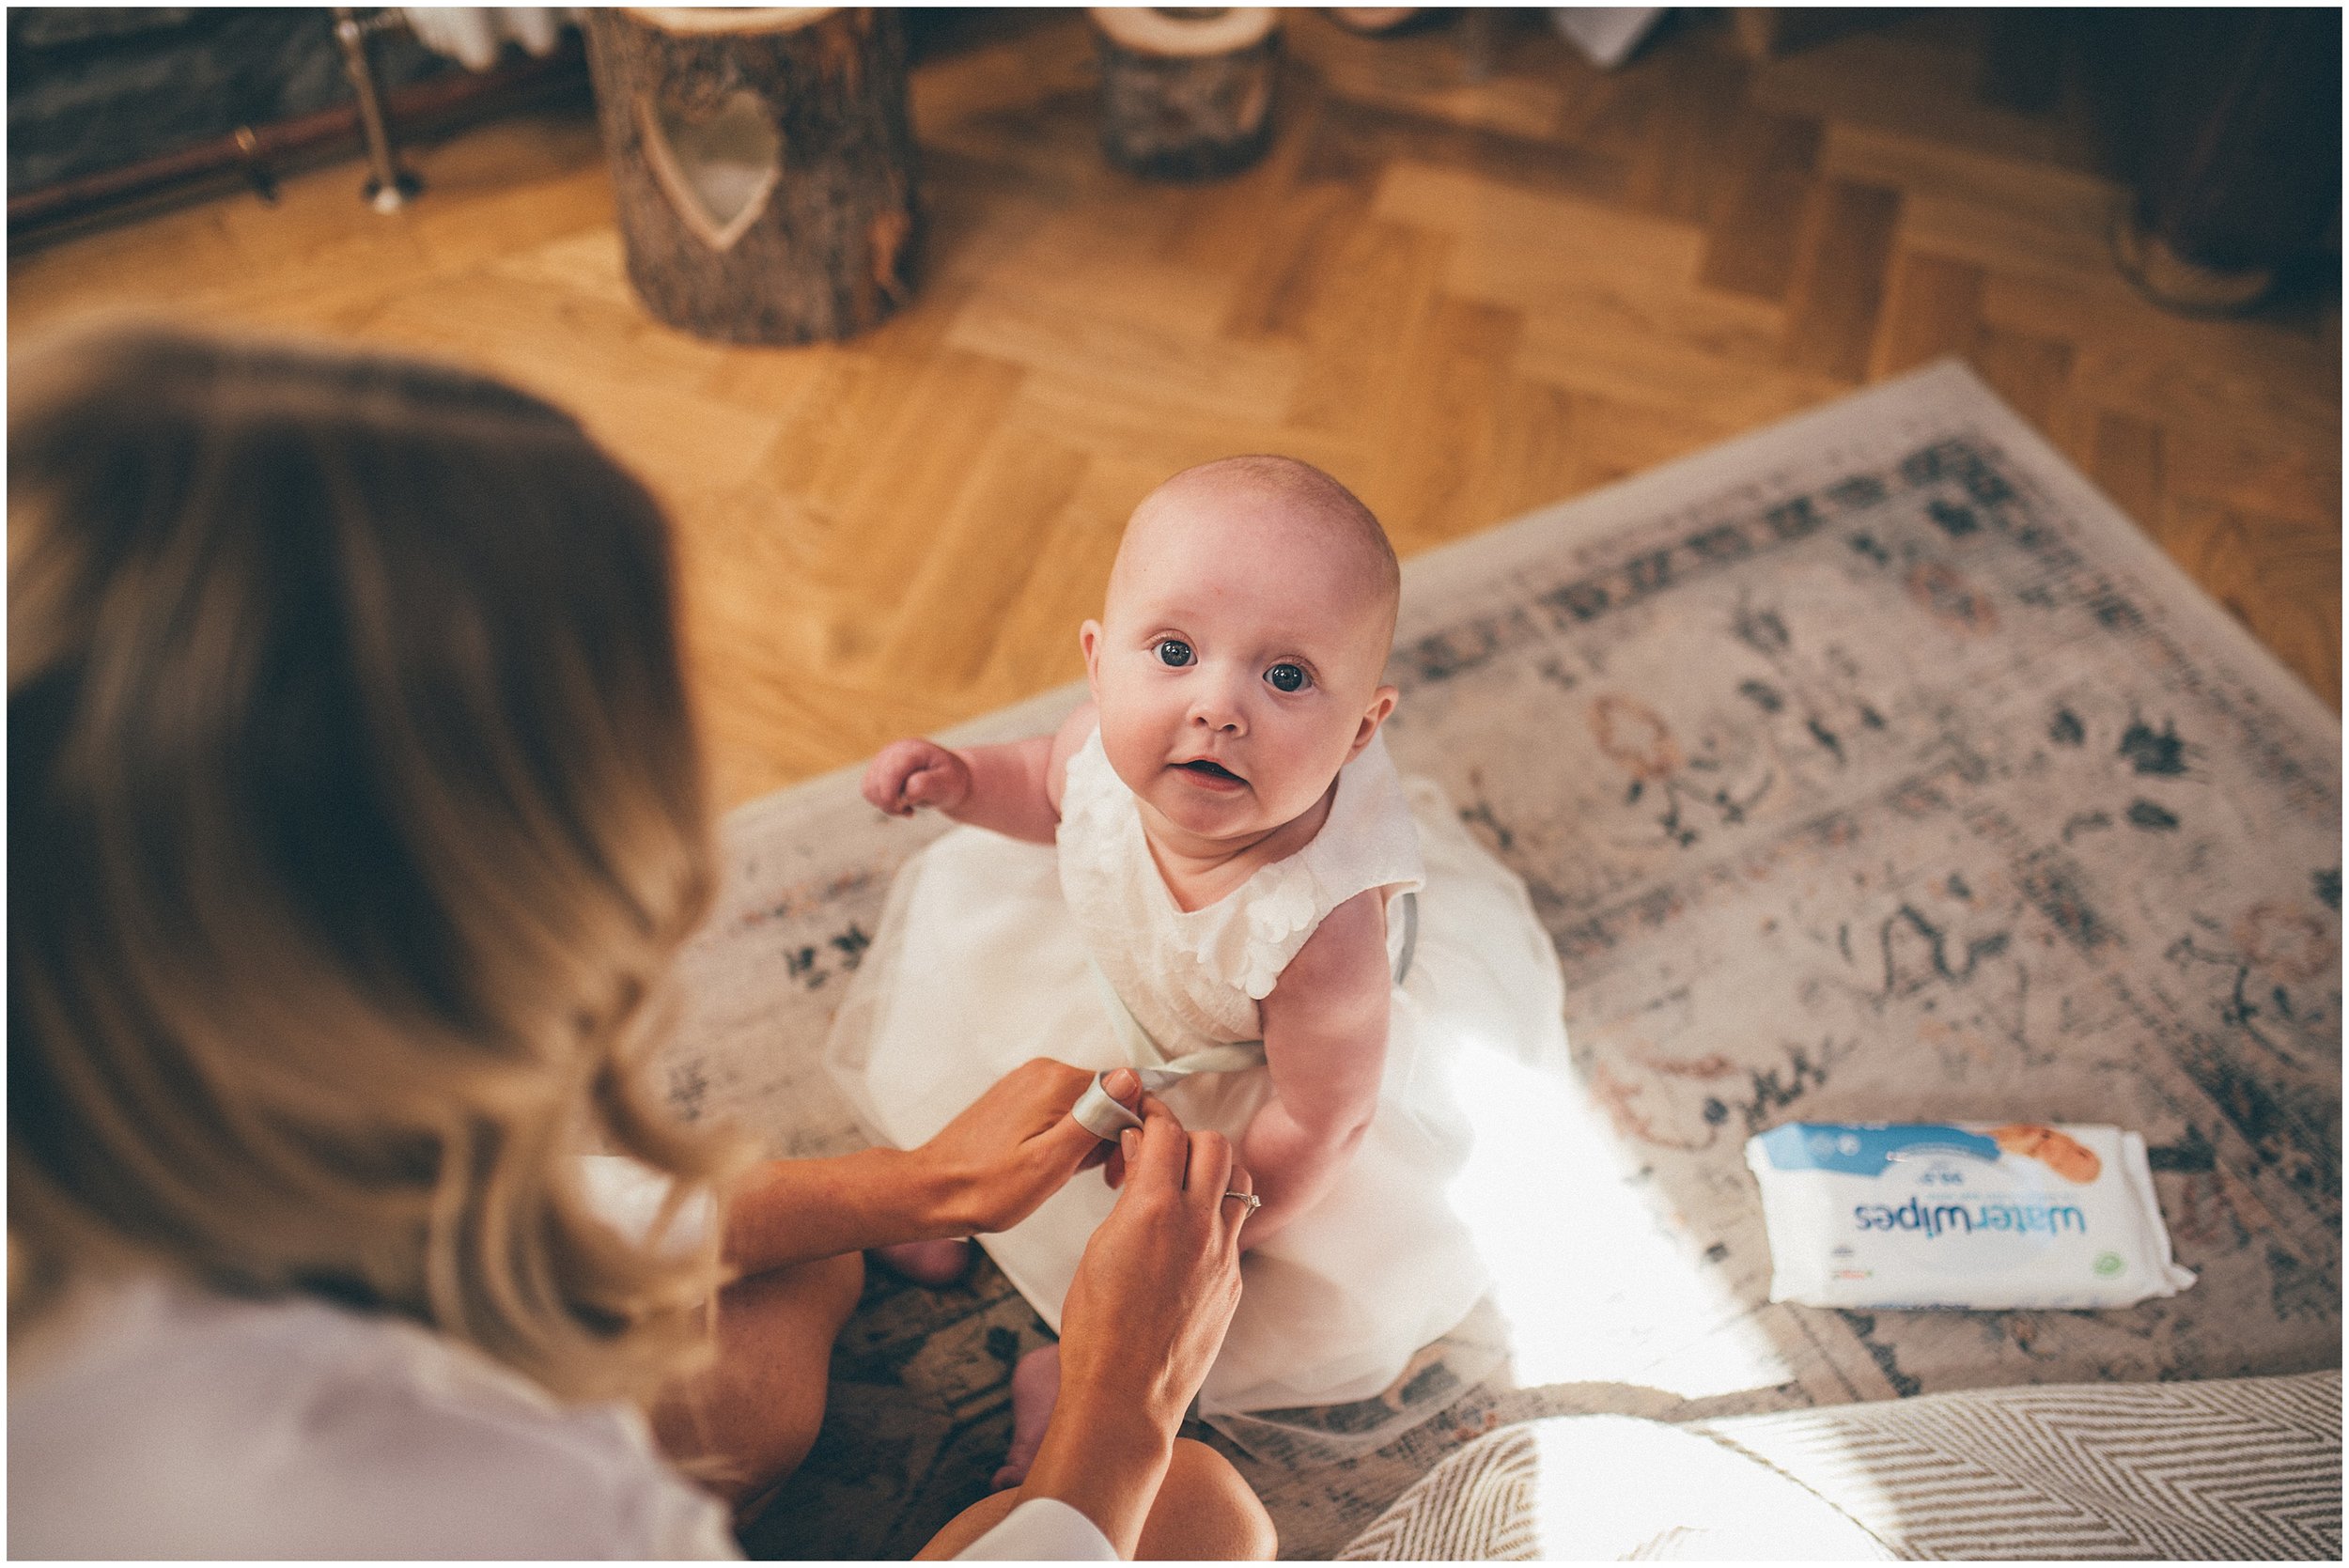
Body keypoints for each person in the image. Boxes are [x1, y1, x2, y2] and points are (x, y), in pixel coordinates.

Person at [6, 322, 1276, 1560]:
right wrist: (1123, 1407)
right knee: (1200, 1517)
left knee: (771, 1332)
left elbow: (460, 1223)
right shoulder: (428, 1495)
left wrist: (918, 1184)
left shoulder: (112, 1049)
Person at [828, 457, 1569, 1483]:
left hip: (1251, 1094)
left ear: (1360, 728)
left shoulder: (1323, 931)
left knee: (1192, 1285)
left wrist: (1219, 1225)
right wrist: (962, 781)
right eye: (1173, 651)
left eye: (1286, 677)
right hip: (1110, 986)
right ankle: (935, 1198)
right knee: (970, 1026)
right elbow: (1044, 785)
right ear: (1097, 662)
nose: (1218, 705)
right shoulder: (1097, 737)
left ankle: (1077, 1366)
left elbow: (1323, 1120)